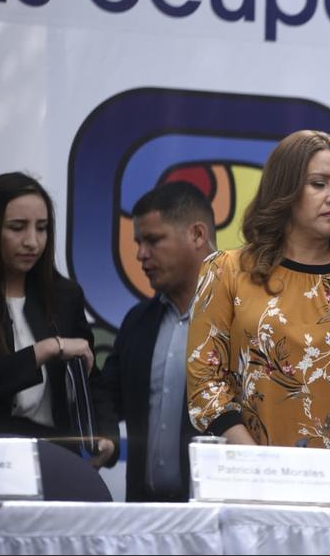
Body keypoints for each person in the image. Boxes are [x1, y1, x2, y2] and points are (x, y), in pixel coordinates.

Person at [187, 130, 330, 509]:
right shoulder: (226, 271)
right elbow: (206, 383)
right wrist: (260, 471)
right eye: (319, 184)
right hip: (246, 491)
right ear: (285, 189)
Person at [0, 172, 117, 467]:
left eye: (42, 228)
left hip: (55, 456)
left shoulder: (64, 295)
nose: (32, 241)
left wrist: (107, 437)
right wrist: (46, 349)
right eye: (17, 228)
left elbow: (90, 377)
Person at [102, 182, 215, 501]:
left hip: (217, 525)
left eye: (152, 240)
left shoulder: (245, 319)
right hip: (146, 523)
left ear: (197, 235)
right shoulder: (137, 322)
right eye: (138, 242)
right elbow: (107, 400)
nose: (140, 254)